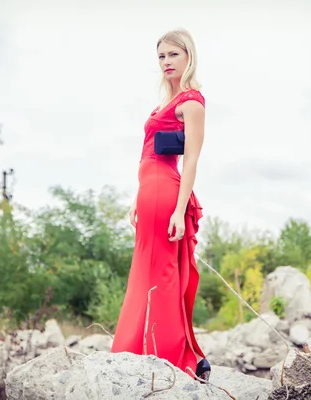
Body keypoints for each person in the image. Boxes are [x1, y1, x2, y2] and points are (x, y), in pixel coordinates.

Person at [110, 28, 211, 381]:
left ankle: (167, 353)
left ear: (188, 57)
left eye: (174, 55)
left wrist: (181, 210)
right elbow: (149, 154)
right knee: (146, 273)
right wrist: (136, 199)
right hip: (148, 192)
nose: (167, 62)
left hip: (166, 192)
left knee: (162, 274)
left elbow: (192, 160)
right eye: (162, 56)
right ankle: (142, 348)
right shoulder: (163, 104)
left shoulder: (191, 102)